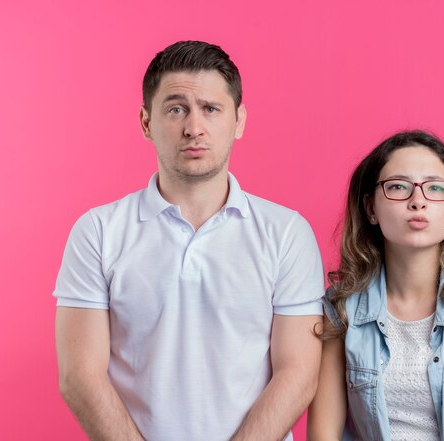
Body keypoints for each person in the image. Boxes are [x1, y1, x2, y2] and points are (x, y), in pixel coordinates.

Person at [54, 40, 324, 441]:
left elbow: (298, 373)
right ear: (147, 122)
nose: (193, 127)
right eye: (176, 108)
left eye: (210, 109)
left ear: (239, 120)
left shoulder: (286, 233)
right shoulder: (98, 231)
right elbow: (80, 376)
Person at [307, 130, 444, 440]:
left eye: (435, 188)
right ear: (370, 208)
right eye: (398, 187)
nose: (418, 201)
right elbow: (323, 434)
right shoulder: (343, 305)